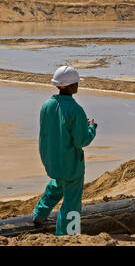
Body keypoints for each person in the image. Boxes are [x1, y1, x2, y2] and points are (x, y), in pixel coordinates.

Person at [32, 66, 97, 235]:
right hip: (71, 165)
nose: (77, 85)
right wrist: (91, 128)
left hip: (52, 160)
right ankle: (69, 234)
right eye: (75, 83)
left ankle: (39, 214)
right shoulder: (76, 110)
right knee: (72, 203)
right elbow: (82, 140)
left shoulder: (47, 105)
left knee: (56, 186)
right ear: (66, 86)